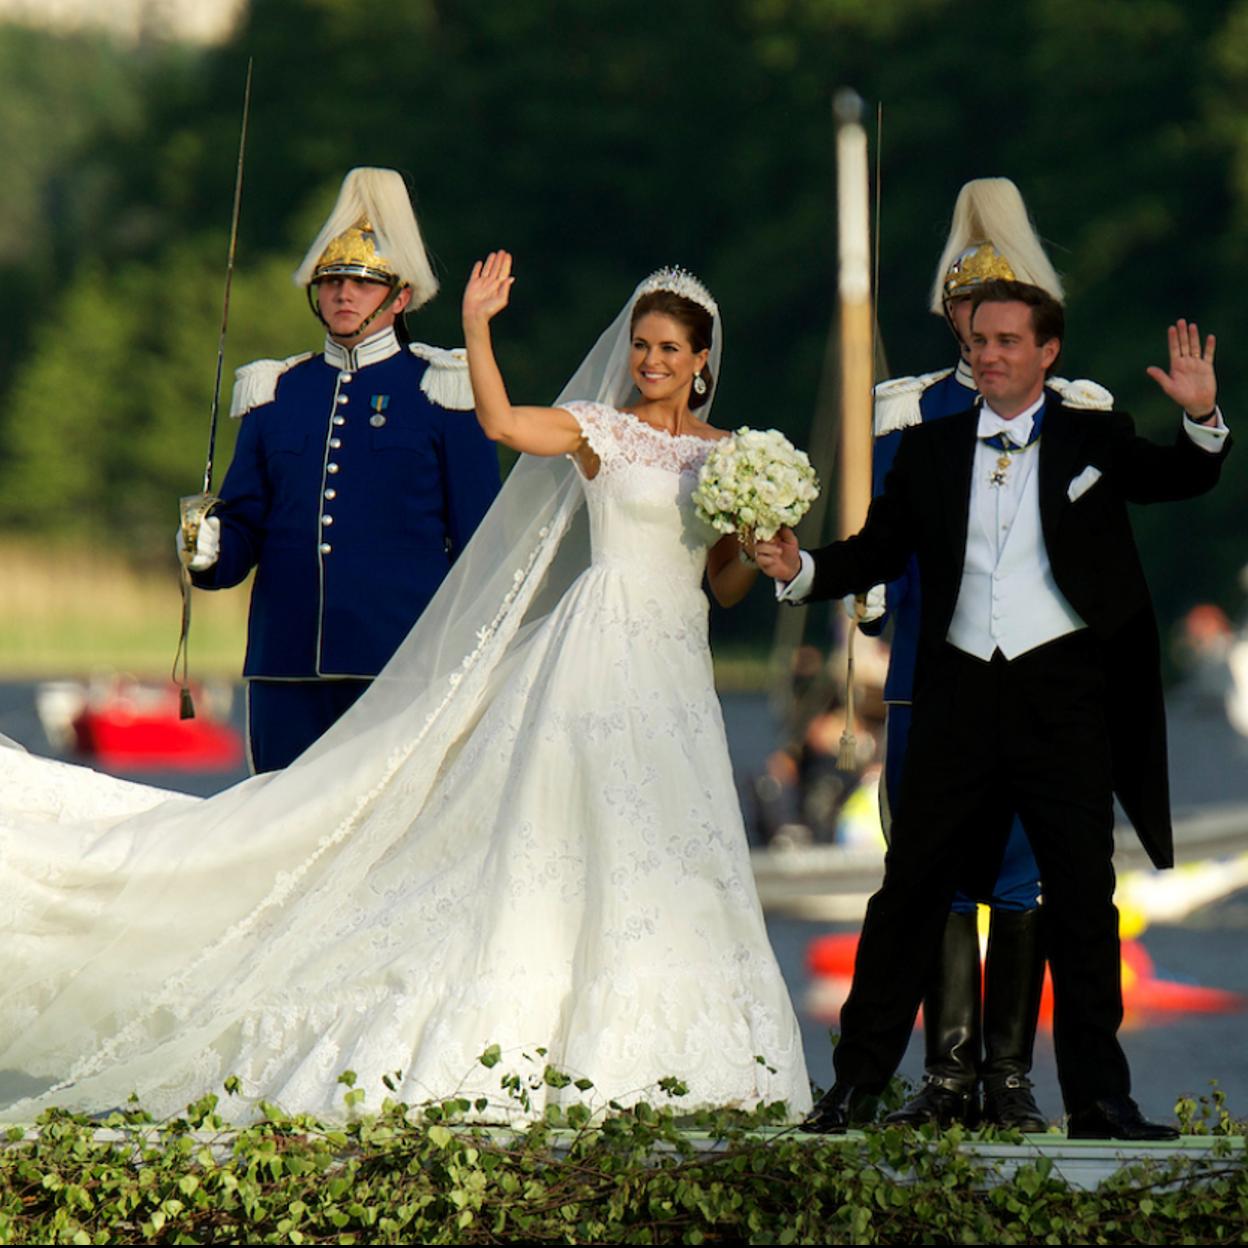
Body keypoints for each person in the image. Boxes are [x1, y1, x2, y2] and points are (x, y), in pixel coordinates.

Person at [0, 261, 810, 1126]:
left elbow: (720, 587)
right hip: (599, 647)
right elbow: (498, 421)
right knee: (573, 832)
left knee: (677, 839)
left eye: (669, 349)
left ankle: (696, 1064)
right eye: (643, 344)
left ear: (700, 362)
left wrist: (769, 552)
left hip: (678, 664)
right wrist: (478, 325)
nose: (651, 360)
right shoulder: (597, 430)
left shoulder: (733, 457)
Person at [756, 280, 1228, 1140]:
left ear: (1048, 352)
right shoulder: (929, 449)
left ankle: (1101, 1102)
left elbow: (1177, 479)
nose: (989, 354)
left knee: (1084, 900)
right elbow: (875, 549)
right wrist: (801, 567)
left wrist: (1201, 420)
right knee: (907, 895)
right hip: (960, 692)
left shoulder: (1094, 435)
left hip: (1063, 699)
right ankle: (852, 1090)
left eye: (1008, 340)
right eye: (979, 341)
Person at [860, 178, 1117, 1131]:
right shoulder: (907, 410)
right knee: (930, 871)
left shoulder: (1076, 410)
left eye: (995, 315)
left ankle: (1009, 1078)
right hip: (933, 676)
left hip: (1034, 680)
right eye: (965, 312)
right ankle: (946, 1075)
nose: (977, 329)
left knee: (1021, 874)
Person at [181, 168, 500, 772]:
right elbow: (245, 529)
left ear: (400, 296)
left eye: (361, 282)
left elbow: (482, 542)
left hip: (401, 662)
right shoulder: (276, 393)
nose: (344, 294)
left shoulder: (443, 390)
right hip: (285, 664)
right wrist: (207, 547)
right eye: (331, 281)